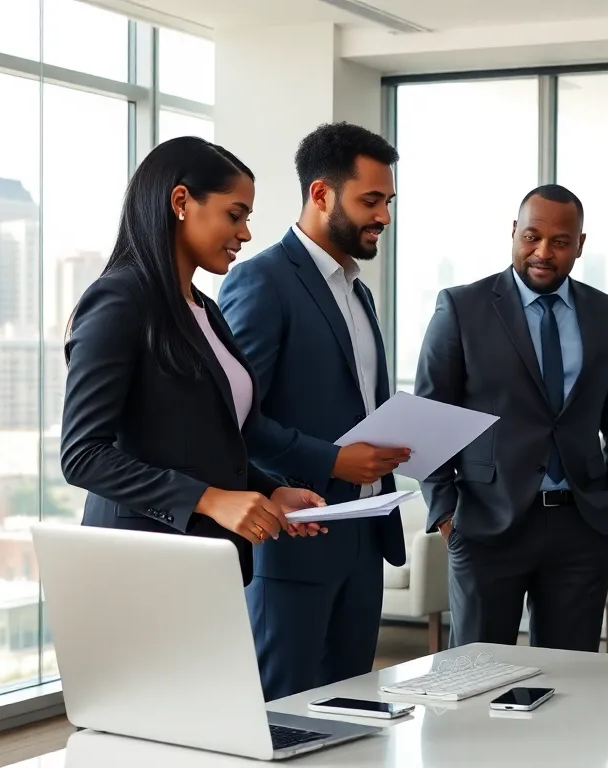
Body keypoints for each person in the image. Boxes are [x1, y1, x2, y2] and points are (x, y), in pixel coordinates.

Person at [60, 136, 326, 589]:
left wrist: (270, 491)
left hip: (206, 562)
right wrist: (210, 500)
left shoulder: (206, 310)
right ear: (181, 201)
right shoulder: (119, 300)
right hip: (139, 565)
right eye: (235, 215)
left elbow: (206, 448)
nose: (245, 234)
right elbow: (83, 455)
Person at [218, 122, 410, 701]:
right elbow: (234, 421)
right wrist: (333, 460)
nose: (384, 216)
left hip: (363, 537)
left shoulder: (357, 290)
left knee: (353, 712)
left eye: (388, 202)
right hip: (295, 542)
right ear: (322, 194)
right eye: (370, 201)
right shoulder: (262, 281)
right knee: (284, 715)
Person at [414, 184, 608, 652]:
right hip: (486, 524)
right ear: (514, 231)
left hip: (580, 528)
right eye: (532, 237)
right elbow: (429, 416)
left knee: (571, 678)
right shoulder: (462, 308)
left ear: (580, 245)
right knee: (476, 676)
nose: (543, 252)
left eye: (560, 242)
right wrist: (447, 514)